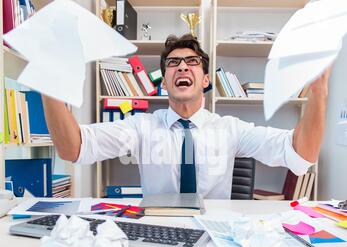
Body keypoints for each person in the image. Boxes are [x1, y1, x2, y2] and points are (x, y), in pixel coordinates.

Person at [42, 34, 332, 199]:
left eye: (192, 62)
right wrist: (51, 85)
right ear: (164, 82)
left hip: (216, 236)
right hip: (157, 233)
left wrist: (319, 92)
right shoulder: (142, 126)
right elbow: (73, 147)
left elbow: (301, 155)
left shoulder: (230, 129)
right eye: (173, 64)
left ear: (205, 80)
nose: (182, 67)